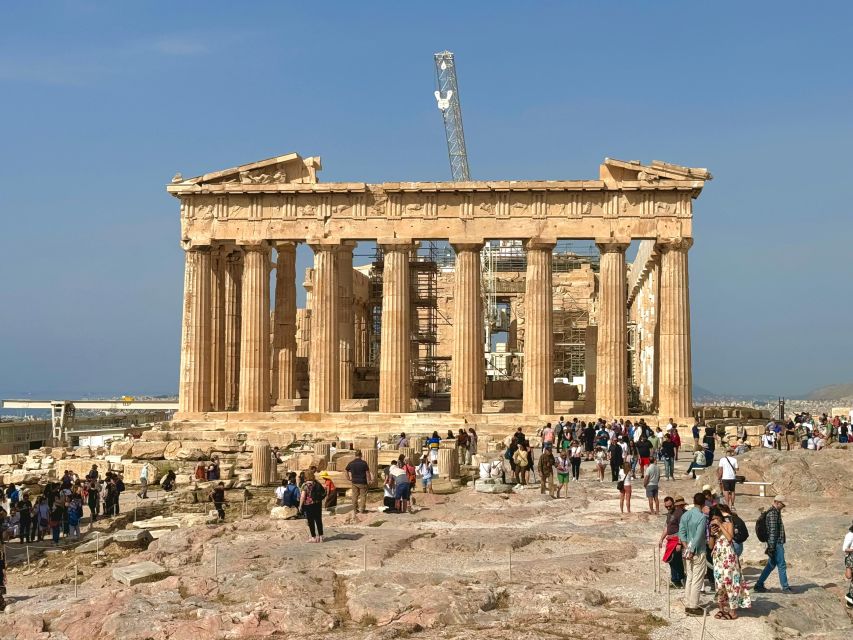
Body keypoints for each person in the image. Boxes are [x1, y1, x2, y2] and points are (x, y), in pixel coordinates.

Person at [709, 509, 751, 619]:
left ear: (720, 516)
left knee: (731, 582)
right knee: (719, 583)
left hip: (729, 557)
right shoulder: (712, 528)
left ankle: (733, 611)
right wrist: (712, 534)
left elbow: (729, 538)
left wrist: (720, 525)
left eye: (716, 518)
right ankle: (721, 609)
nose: (715, 520)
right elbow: (710, 546)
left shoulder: (728, 524)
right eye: (712, 519)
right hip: (718, 558)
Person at [754, 495, 793, 593]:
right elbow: (773, 531)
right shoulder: (773, 514)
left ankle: (758, 585)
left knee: (771, 565)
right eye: (782, 504)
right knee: (781, 564)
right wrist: (771, 547)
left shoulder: (775, 512)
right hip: (776, 543)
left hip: (774, 543)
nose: (784, 506)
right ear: (777, 502)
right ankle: (785, 587)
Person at [679, 492, 709, 616]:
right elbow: (699, 535)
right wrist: (692, 550)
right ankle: (693, 606)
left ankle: (688, 601)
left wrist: (686, 547)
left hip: (687, 550)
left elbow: (681, 532)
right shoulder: (702, 517)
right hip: (698, 551)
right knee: (697, 578)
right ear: (704, 503)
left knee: (690, 577)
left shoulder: (686, 515)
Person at [659, 496, 686, 588]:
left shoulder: (679, 513)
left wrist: (679, 542)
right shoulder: (669, 514)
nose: (668, 508)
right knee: (671, 560)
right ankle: (675, 579)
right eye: (666, 506)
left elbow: (682, 529)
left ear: (673, 504)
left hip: (676, 539)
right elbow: (667, 527)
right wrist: (661, 539)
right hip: (670, 540)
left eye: (670, 506)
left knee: (675, 560)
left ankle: (678, 579)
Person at [298, 471, 324, 542]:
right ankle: (321, 536)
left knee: (311, 521)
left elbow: (303, 496)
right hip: (318, 503)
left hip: (309, 504)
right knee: (318, 520)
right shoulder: (317, 483)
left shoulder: (305, 485)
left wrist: (300, 506)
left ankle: (314, 537)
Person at [345, 450, 372, 514]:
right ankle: (362, 509)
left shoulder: (351, 463)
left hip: (354, 481)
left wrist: (348, 478)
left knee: (354, 496)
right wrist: (369, 480)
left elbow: (346, 470)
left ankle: (355, 510)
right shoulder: (364, 463)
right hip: (363, 481)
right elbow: (367, 473)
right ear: (361, 455)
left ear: (355, 455)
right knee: (363, 496)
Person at [843, 520, 853, 608]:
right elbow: (845, 549)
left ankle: (850, 601)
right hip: (851, 558)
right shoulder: (849, 535)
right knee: (849, 576)